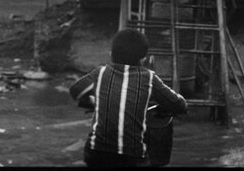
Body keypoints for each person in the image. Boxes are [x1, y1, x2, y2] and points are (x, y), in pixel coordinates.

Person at [70, 29, 189, 168]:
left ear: (111, 54)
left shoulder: (101, 72)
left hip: (96, 153)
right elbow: (180, 105)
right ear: (143, 59)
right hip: (132, 157)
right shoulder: (148, 77)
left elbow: (75, 91)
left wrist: (96, 103)